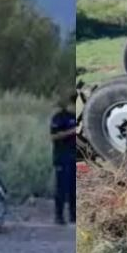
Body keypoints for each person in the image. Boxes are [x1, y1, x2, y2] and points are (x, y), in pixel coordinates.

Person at [50, 93, 78, 225]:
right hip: (62, 156)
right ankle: (59, 216)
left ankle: (74, 215)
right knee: (61, 188)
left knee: (74, 187)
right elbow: (53, 136)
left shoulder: (77, 117)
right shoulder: (59, 117)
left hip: (75, 156)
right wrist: (72, 132)